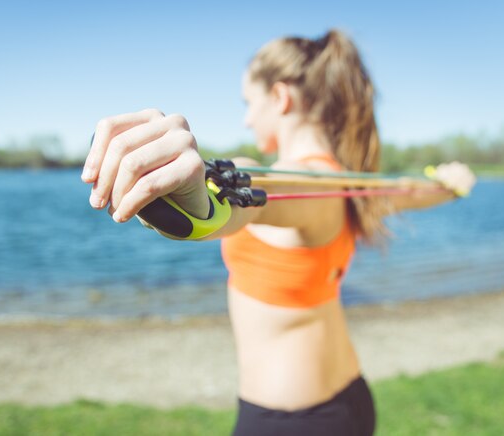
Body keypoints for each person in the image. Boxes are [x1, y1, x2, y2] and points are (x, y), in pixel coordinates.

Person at [81, 29, 476, 436]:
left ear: (280, 97)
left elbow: (255, 195)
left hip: (292, 420)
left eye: (249, 103)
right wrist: (451, 184)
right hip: (349, 399)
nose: (247, 119)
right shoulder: (350, 187)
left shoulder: (305, 184)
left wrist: (203, 204)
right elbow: (412, 192)